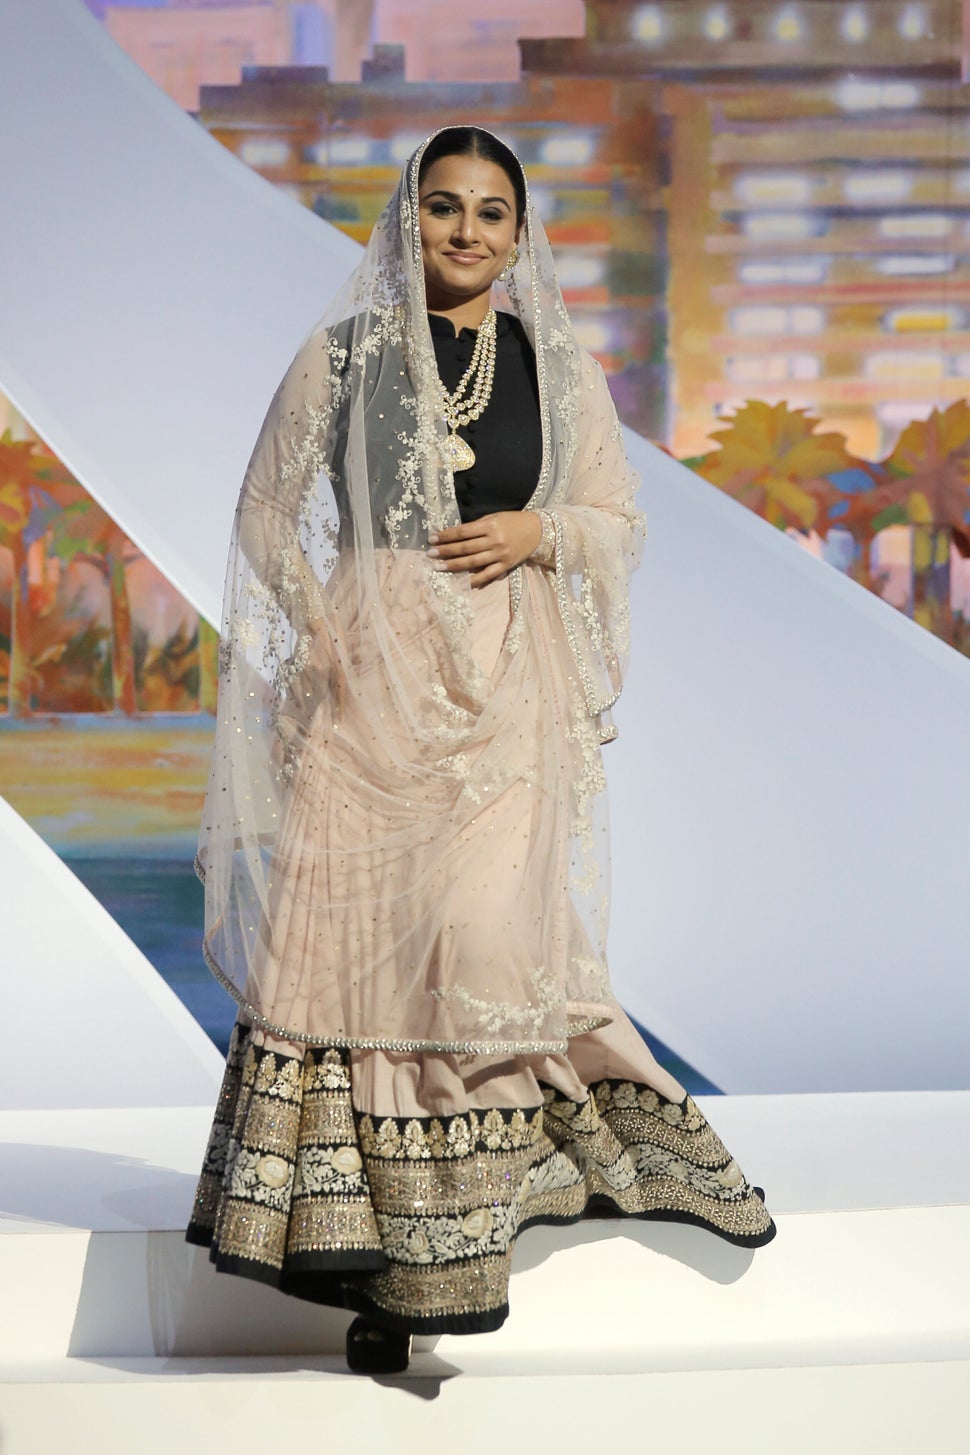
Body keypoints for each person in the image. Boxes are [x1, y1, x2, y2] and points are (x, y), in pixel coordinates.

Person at [186, 125, 776, 1376]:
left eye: (490, 212)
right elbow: (260, 512)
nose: (465, 231)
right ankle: (382, 1274)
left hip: (507, 692)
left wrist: (539, 531)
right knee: (353, 958)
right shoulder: (340, 355)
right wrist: (325, 632)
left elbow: (617, 516)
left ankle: (467, 1231)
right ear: (409, 221)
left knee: (484, 943)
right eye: (443, 207)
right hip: (371, 696)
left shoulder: (556, 370)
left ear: (520, 231)